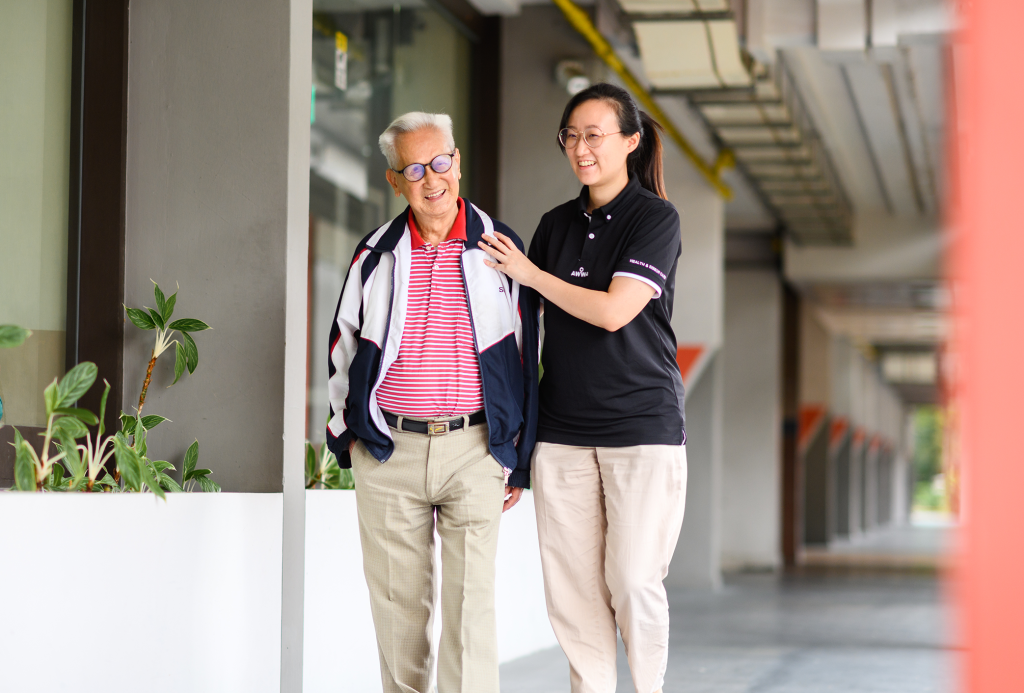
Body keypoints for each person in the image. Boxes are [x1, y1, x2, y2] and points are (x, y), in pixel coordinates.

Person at [477, 83, 687, 693]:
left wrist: (532, 273)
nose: (581, 147)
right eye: (571, 135)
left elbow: (615, 312)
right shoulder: (553, 226)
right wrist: (517, 447)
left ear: (630, 140)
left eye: (595, 134)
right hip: (563, 435)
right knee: (572, 590)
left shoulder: (656, 219)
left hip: (641, 429)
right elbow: (519, 340)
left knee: (632, 580)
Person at [325, 111, 539, 693]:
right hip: (389, 452)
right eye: (414, 169)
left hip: (475, 449)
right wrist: (348, 436)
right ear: (395, 181)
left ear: (458, 161)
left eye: (441, 162)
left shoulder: (500, 248)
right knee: (400, 617)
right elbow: (344, 345)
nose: (432, 179)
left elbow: (526, 356)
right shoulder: (376, 254)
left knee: (473, 616)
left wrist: (516, 454)